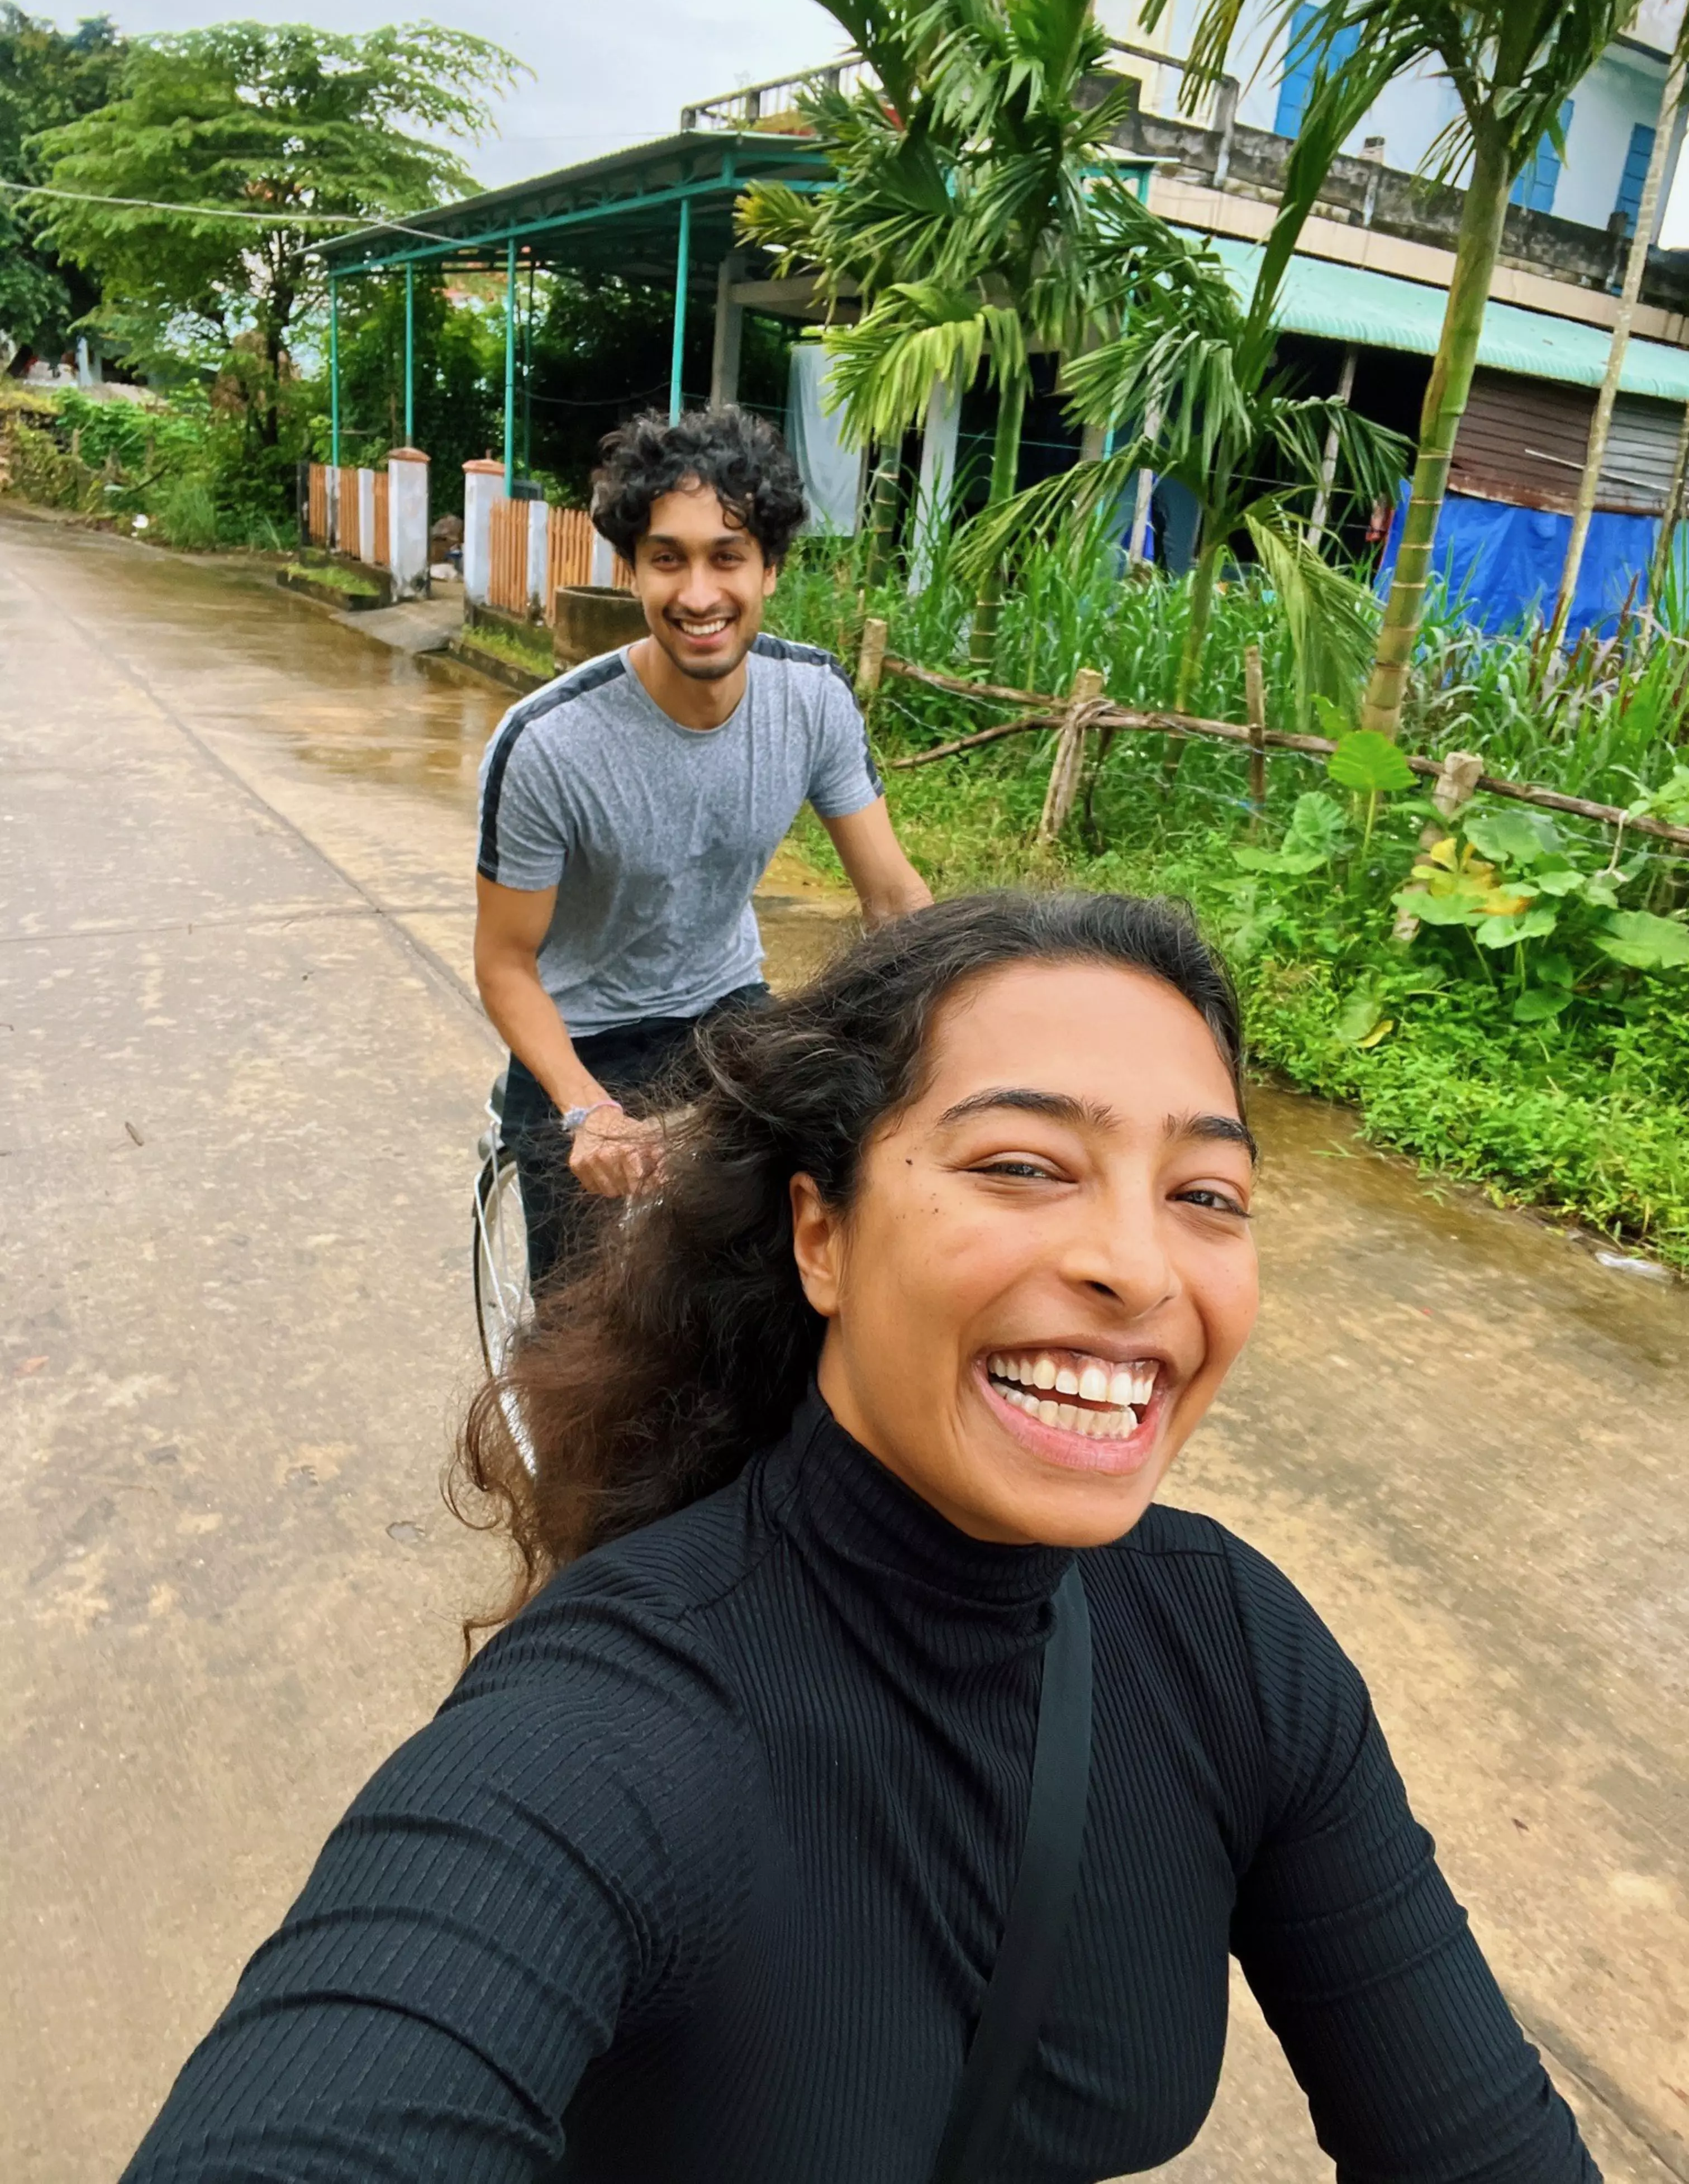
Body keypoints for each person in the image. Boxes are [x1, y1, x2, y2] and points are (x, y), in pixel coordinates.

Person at [123, 891, 1597, 2183]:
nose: (1137, 1267)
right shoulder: (598, 1737)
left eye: (1202, 1196)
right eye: (1021, 1165)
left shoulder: (1233, 1652)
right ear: (818, 1236)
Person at [473, 403, 930, 1287]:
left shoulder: (812, 700)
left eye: (726, 556)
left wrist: (956, 1023)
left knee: (795, 1269)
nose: (697, 594)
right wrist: (585, 1112)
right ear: (631, 570)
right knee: (582, 1330)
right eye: (667, 559)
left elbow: (893, 901)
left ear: (769, 568)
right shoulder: (547, 745)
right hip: (582, 1038)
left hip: (725, 1008)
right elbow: (504, 965)